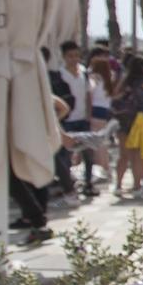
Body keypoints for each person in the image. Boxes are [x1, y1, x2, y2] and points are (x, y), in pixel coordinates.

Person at [53, 40, 94, 198]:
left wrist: (89, 114)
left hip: (83, 118)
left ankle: (88, 183)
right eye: (70, 56)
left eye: (77, 55)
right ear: (63, 57)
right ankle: (68, 184)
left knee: (88, 153)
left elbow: (88, 94)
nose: (74, 59)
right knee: (65, 156)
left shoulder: (84, 72)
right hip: (67, 120)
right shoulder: (60, 74)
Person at [108, 54, 143, 198]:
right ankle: (136, 185)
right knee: (139, 155)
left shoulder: (124, 81)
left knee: (124, 155)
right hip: (140, 121)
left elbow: (115, 99)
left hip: (124, 121)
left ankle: (118, 185)